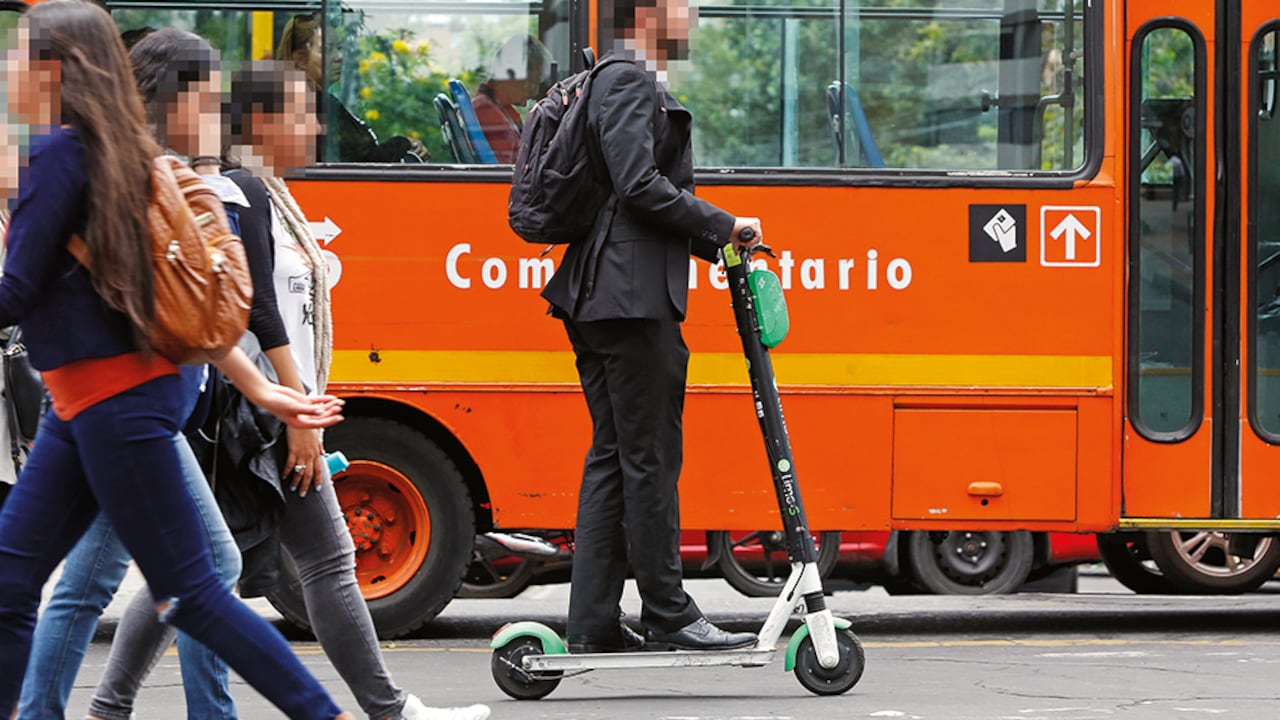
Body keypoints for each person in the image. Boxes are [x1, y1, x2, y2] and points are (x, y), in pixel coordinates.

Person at [83, 58, 489, 720]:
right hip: (244, 416)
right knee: (217, 570)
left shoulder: (268, 193)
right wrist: (298, 414)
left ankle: (385, 710)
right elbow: (258, 313)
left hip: (262, 405)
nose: (316, 127)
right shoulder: (239, 190)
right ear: (265, 122)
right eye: (304, 113)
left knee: (249, 567)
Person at [0, 3, 355, 718]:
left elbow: (15, 292)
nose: (10, 73)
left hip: (111, 404)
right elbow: (161, 297)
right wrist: (263, 386)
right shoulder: (117, 154)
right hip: (99, 402)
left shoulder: (64, 158)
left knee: (192, 589)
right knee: (14, 585)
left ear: (55, 70)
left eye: (19, 59)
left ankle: (326, 714)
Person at [540, 0, 764, 654]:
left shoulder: (620, 76)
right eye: (682, 3)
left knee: (615, 458)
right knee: (650, 460)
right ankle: (668, 611)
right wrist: (726, 226)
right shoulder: (629, 76)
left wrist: (712, 243)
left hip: (609, 292)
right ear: (646, 11)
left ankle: (593, 622)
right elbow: (637, 185)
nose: (693, 13)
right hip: (627, 298)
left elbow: (625, 193)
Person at [277, 13, 427, 163]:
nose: (339, 57)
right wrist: (403, 144)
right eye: (327, 50)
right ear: (300, 60)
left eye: (339, 48)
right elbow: (364, 159)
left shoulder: (315, 99)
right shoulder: (311, 104)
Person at [472, 34, 553, 163]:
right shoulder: (487, 111)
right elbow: (506, 172)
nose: (533, 92)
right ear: (512, 73)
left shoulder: (498, 108)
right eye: (532, 81)